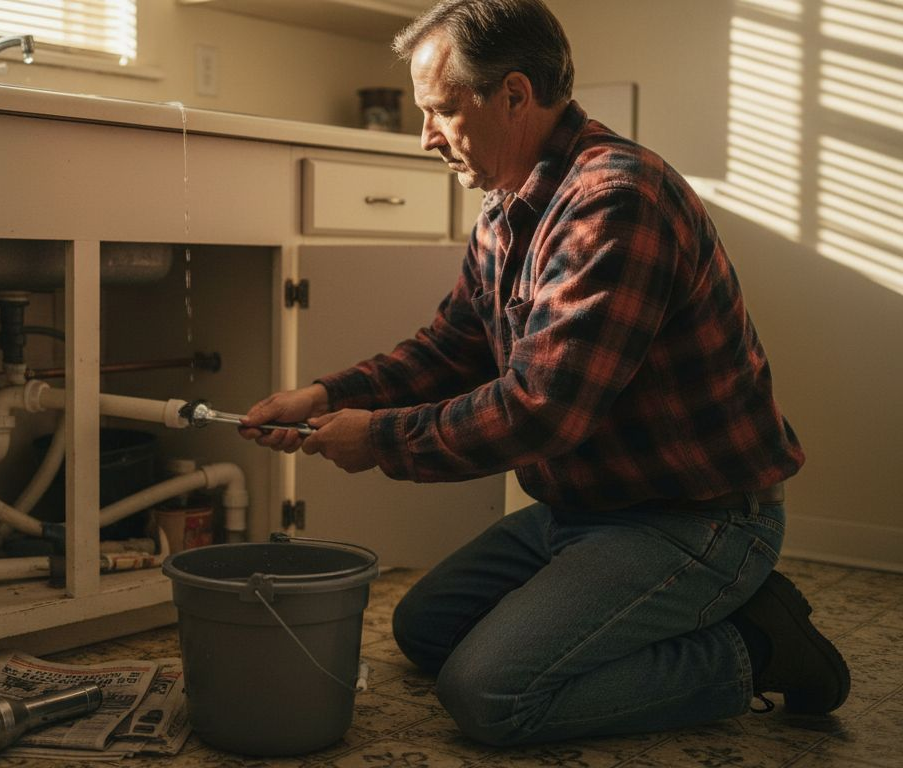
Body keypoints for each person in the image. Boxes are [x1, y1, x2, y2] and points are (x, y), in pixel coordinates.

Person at [238, 0, 850, 747]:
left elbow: (541, 411)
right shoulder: (506, 206)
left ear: (515, 95)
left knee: (490, 693)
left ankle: (755, 648)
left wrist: (380, 440)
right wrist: (329, 394)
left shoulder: (616, 202)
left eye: (441, 110)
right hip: (583, 510)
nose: (426, 136)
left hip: (697, 517)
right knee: (424, 630)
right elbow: (450, 348)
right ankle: (638, 612)